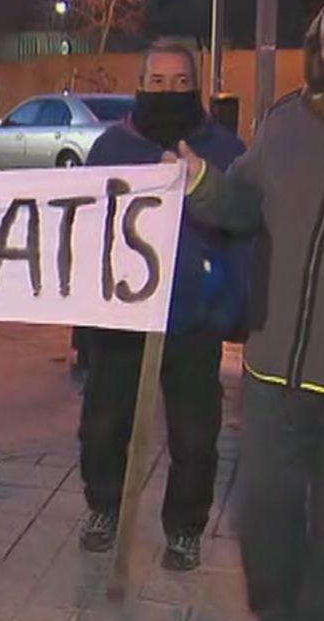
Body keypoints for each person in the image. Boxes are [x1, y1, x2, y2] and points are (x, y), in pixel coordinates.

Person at [169, 0, 324, 621]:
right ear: (316, 48)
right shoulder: (287, 120)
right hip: (273, 372)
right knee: (262, 512)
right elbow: (241, 203)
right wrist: (201, 185)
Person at [76, 42, 247, 572]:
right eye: (157, 80)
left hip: (193, 323)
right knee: (104, 425)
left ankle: (185, 529)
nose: (167, 90)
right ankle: (103, 507)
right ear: (140, 82)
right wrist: (84, 316)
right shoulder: (109, 148)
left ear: (193, 85)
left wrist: (227, 307)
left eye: (179, 81)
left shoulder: (225, 149)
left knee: (195, 436)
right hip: (121, 319)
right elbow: (82, 232)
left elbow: (242, 229)